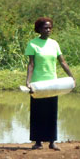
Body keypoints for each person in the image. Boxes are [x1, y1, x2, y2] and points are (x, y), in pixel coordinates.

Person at [25, 17, 75, 151]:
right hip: (38, 84)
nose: (48, 30)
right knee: (37, 113)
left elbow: (62, 62)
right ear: (39, 29)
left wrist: (71, 77)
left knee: (51, 112)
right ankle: (38, 142)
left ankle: (52, 142)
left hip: (53, 83)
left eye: (50, 28)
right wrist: (28, 81)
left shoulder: (54, 44)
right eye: (45, 28)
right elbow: (31, 64)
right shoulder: (32, 44)